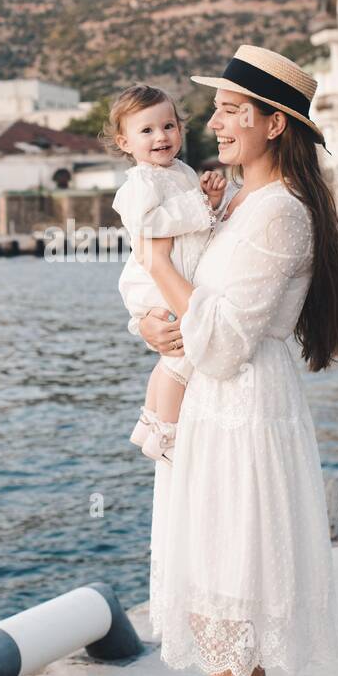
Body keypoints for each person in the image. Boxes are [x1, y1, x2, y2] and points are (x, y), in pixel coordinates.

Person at [135, 44, 338, 676]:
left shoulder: (279, 214)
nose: (212, 123)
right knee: (221, 622)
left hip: (243, 417)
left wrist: (158, 262)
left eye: (229, 110)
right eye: (214, 109)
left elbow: (219, 342)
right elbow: (198, 306)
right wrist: (150, 321)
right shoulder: (241, 201)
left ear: (274, 124)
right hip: (215, 418)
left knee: (233, 621)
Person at [103, 85, 226, 462]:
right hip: (154, 280)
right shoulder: (139, 184)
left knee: (169, 359)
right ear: (125, 142)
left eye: (169, 126)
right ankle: (167, 432)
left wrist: (210, 202)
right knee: (180, 357)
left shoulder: (182, 171)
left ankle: (149, 420)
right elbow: (148, 223)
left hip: (177, 271)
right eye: (147, 131)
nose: (161, 137)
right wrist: (199, 206)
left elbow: (198, 223)